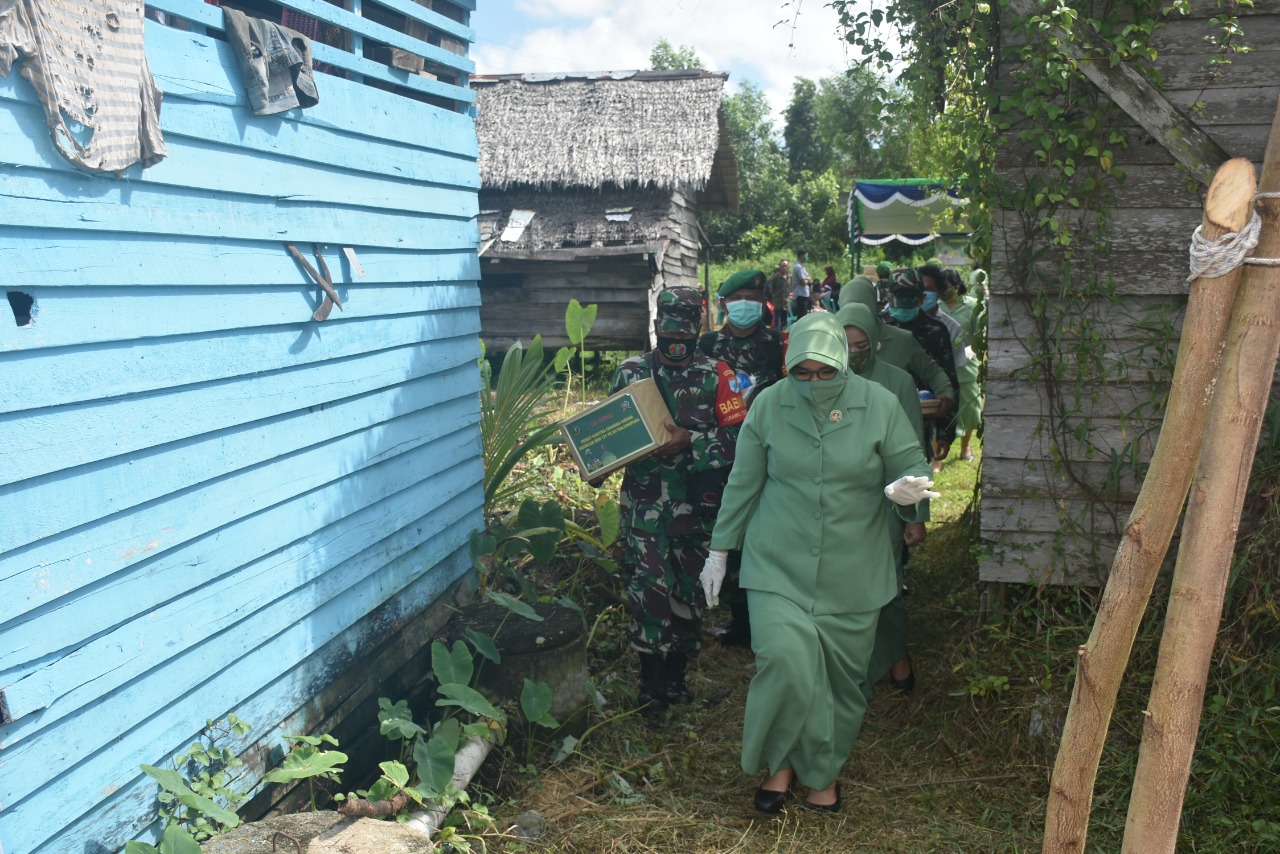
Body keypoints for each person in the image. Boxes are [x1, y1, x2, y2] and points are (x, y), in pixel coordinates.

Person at [700, 313, 936, 813]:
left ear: (843, 363)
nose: (813, 382)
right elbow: (744, 482)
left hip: (856, 566)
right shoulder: (768, 404)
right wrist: (720, 550)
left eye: (824, 372)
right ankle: (781, 765)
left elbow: (911, 462)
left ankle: (822, 773)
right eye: (802, 373)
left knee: (839, 680)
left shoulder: (879, 403)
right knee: (785, 664)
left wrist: (905, 491)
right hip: (777, 561)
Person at [609, 287, 746, 713]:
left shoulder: (719, 375)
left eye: (684, 340)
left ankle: (677, 676)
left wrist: (693, 442)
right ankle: (650, 680)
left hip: (695, 505)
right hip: (644, 506)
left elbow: (743, 437)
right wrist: (596, 462)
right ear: (655, 328)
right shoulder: (631, 373)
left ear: (697, 332)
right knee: (648, 587)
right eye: (668, 338)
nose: (675, 347)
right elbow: (607, 433)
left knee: (688, 590)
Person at [836, 302, 928, 695]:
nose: (854, 354)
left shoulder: (898, 382)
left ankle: (897, 659)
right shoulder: (823, 381)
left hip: (885, 503)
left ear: (875, 341)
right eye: (845, 346)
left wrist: (914, 514)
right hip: (836, 506)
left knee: (885, 586)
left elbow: (910, 454)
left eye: (861, 346)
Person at [698, 269, 786, 648]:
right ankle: (738, 621)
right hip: (718, 451)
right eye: (738, 299)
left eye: (752, 297)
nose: (745, 305)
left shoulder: (777, 344)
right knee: (723, 529)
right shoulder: (706, 345)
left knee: (764, 534)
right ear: (723, 303)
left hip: (767, 450)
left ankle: (767, 617)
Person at [838, 275, 955, 429]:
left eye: (861, 345)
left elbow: (933, 372)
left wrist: (945, 394)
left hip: (897, 425)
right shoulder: (828, 341)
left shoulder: (900, 340)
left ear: (875, 308)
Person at [883, 268, 959, 469]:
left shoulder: (935, 331)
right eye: (900, 296)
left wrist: (945, 432)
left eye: (911, 296)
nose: (905, 301)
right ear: (889, 296)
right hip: (880, 416)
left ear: (921, 298)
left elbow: (948, 380)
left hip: (919, 419)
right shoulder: (878, 328)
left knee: (913, 475)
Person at [940, 268, 984, 461]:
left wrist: (971, 350)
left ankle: (965, 448)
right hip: (941, 366)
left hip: (966, 366)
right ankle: (938, 455)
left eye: (946, 287)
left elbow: (982, 333)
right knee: (941, 410)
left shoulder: (973, 306)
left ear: (957, 287)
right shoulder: (935, 306)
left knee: (969, 410)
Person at [767, 259, 791, 331]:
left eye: (786, 266)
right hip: (778, 303)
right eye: (782, 266)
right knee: (778, 324)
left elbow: (790, 289)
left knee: (785, 324)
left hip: (786, 303)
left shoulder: (789, 278)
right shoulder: (776, 277)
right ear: (780, 267)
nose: (784, 268)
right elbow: (771, 288)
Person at [790, 250, 813, 321]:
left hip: (805, 294)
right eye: (806, 256)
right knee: (801, 315)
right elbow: (803, 282)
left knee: (804, 314)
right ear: (801, 256)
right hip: (801, 294)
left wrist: (807, 278)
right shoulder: (798, 267)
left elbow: (809, 277)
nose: (807, 257)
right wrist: (807, 279)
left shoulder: (802, 267)